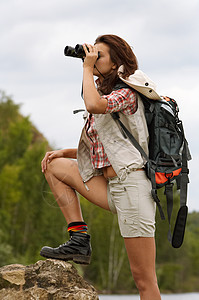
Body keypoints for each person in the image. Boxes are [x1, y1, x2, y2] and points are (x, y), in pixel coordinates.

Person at [40, 34, 161, 300]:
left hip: (133, 187)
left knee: (143, 279)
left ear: (116, 61)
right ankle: (79, 240)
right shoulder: (103, 93)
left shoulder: (128, 93)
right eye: (91, 54)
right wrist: (64, 152)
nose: (92, 59)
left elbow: (94, 104)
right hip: (110, 186)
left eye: (99, 55)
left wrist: (85, 67)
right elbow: (102, 150)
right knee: (55, 165)